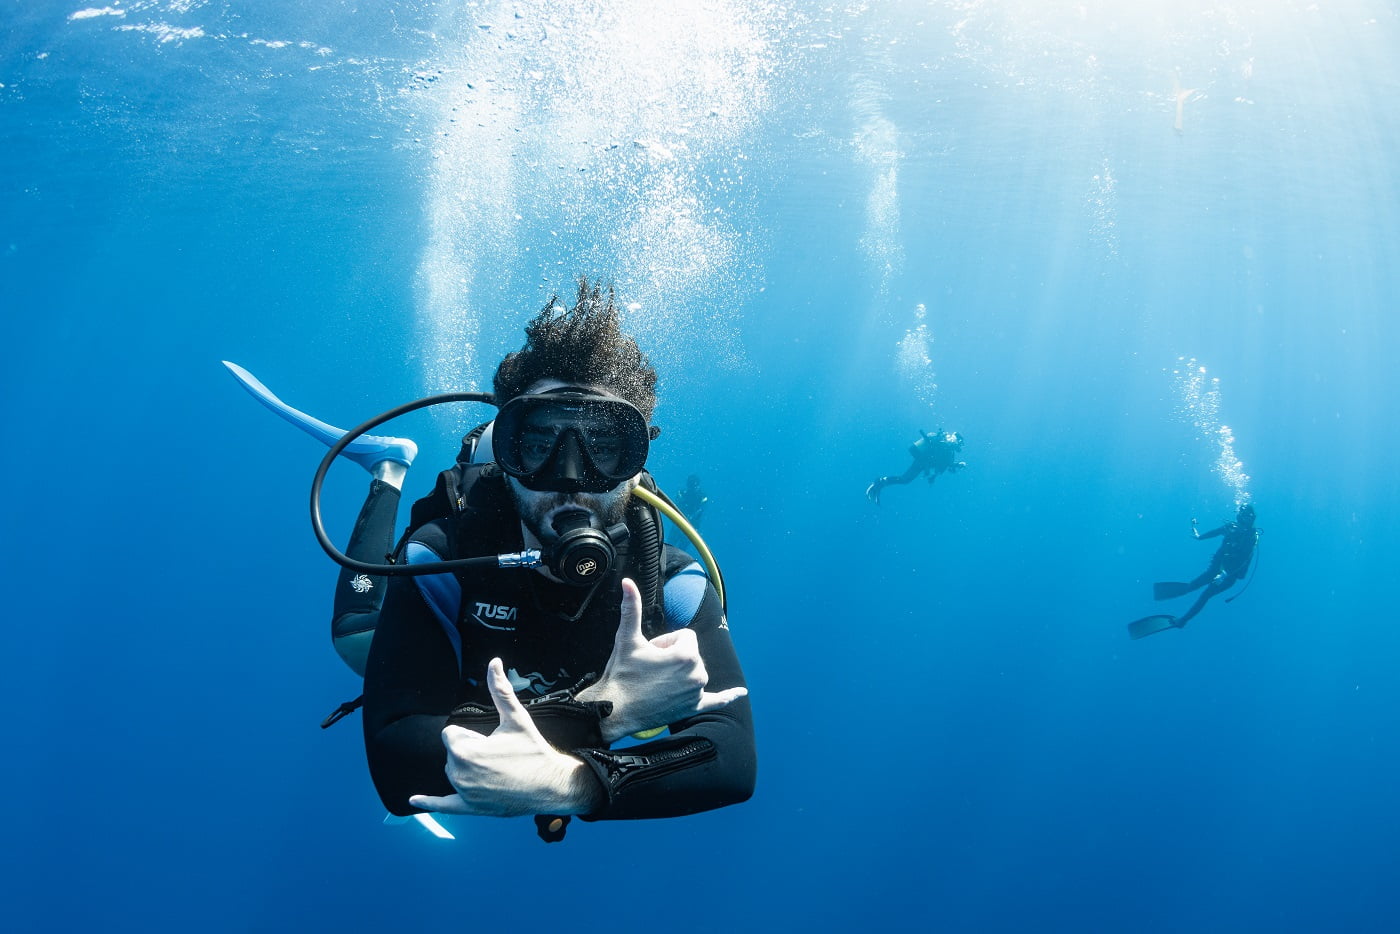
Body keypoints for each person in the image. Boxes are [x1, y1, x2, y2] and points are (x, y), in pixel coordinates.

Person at [227, 279, 755, 841]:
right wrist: (612, 714)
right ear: (504, 455)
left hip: (486, 709)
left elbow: (732, 760)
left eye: (603, 448)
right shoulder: (444, 555)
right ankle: (388, 472)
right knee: (355, 636)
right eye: (538, 444)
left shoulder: (670, 585)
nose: (569, 479)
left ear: (635, 464)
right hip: (457, 667)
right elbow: (396, 766)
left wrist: (567, 783)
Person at [1127, 503, 1259, 640]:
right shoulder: (1231, 527)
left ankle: (1182, 621)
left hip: (1230, 576)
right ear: (1239, 516)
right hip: (1216, 569)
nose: (1245, 519)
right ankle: (1168, 594)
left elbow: (1244, 559)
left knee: (1205, 594)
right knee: (1192, 586)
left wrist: (1225, 574)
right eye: (1243, 516)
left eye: (1248, 517)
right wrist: (1199, 536)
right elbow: (1214, 532)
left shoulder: (1251, 536)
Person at [865, 429, 966, 504]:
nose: (957, 445)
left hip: (922, 463)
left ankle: (880, 483)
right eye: (959, 443)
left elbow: (945, 465)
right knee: (904, 480)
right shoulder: (942, 442)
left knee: (904, 480)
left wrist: (957, 465)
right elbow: (941, 461)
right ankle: (879, 483)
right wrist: (927, 467)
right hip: (921, 462)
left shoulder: (950, 453)